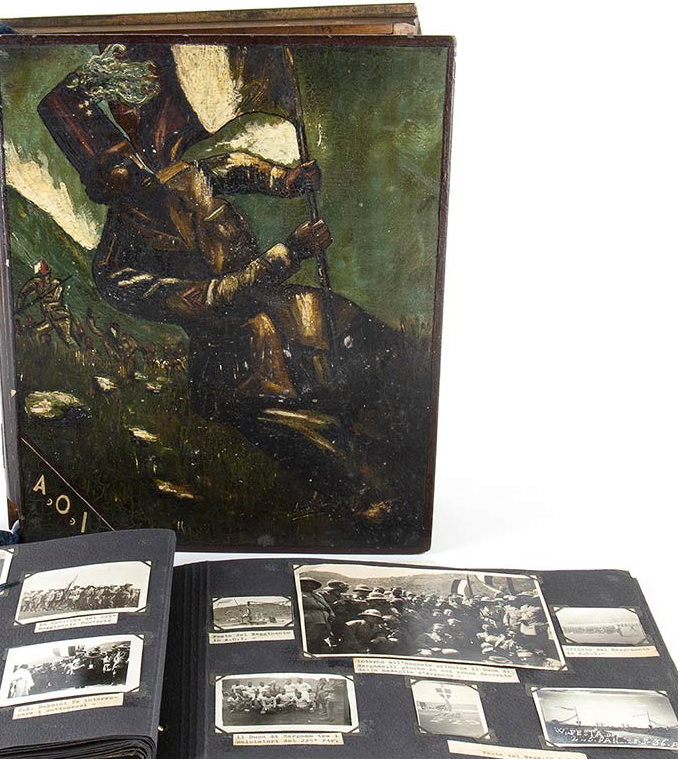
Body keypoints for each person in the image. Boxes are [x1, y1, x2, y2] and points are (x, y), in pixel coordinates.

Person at [39, 44, 429, 532]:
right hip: (236, 365)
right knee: (316, 442)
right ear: (99, 186)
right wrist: (289, 253)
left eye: (129, 153)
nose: (136, 164)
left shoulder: (180, 180)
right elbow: (209, 302)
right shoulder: (115, 269)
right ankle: (365, 503)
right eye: (118, 163)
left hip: (290, 310)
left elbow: (234, 167)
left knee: (386, 356)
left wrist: (285, 179)